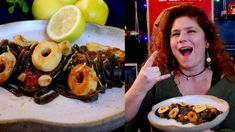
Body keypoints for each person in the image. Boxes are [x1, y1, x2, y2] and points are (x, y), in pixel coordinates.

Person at [125, 4, 235, 132]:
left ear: (207, 41)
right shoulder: (157, 79)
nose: (181, 38)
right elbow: (124, 123)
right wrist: (138, 88)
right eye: (175, 34)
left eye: (191, 31)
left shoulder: (229, 85)